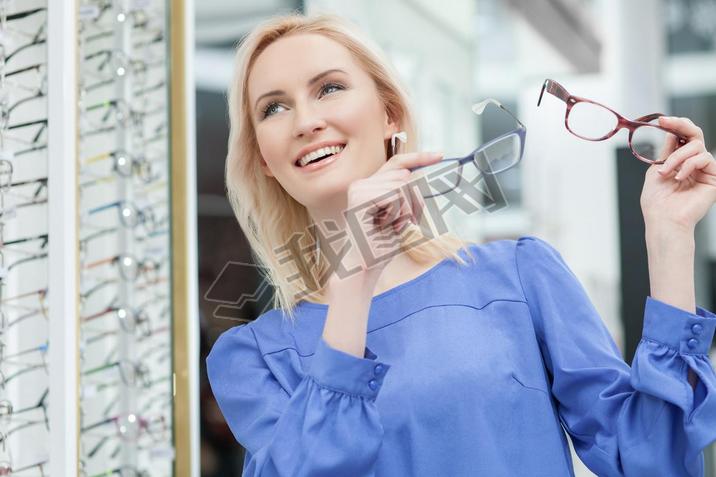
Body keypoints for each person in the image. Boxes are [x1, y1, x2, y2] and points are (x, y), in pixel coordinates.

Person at [206, 11, 716, 477]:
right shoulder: (252, 359)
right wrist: (351, 284)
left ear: (390, 115)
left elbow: (653, 459)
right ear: (264, 160)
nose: (305, 121)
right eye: (274, 107)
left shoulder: (517, 275)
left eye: (330, 88)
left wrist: (669, 239)